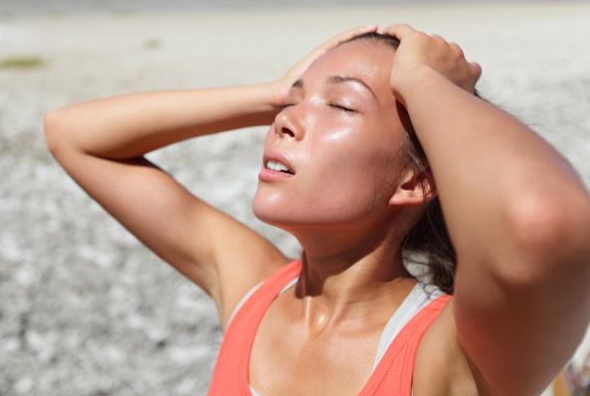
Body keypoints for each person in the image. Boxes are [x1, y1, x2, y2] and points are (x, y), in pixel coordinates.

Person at [43, 24, 590, 395]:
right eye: (291, 105)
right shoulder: (254, 294)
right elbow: (72, 134)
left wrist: (427, 81)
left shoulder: (449, 353)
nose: (285, 121)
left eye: (342, 105)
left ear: (416, 179)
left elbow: (543, 219)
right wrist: (273, 92)